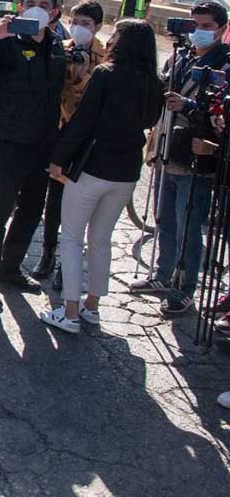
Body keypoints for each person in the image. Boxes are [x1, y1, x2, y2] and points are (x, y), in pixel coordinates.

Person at [40, 20, 164, 333]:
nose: (110, 40)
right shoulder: (153, 81)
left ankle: (68, 312)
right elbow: (151, 119)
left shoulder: (106, 74)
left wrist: (58, 159)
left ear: (124, 41)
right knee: (100, 240)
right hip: (125, 172)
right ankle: (91, 306)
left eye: (116, 35)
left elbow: (83, 121)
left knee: (70, 237)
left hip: (92, 167)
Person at [0, 0, 67, 309]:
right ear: (21, 6)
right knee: (1, 208)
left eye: (43, 3)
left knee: (32, 209)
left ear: (53, 11)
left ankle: (9, 269)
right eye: (31, 2)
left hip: (44, 142)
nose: (36, 7)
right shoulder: (6, 40)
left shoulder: (55, 44)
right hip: (11, 139)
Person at [131, 1, 230, 315]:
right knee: (165, 220)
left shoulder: (225, 65)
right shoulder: (181, 56)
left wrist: (186, 105)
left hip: (197, 157)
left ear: (222, 29)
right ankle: (163, 275)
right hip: (167, 149)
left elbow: (220, 113)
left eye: (206, 27)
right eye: (194, 25)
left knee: (188, 225)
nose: (198, 32)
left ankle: (184, 288)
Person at [31, 0, 106, 281]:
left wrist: (86, 71)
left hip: (87, 140)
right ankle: (48, 253)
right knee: (54, 200)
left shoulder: (106, 56)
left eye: (86, 24)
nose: (79, 28)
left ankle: (68, 263)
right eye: (75, 22)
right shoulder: (61, 50)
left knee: (80, 206)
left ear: (98, 26)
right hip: (58, 131)